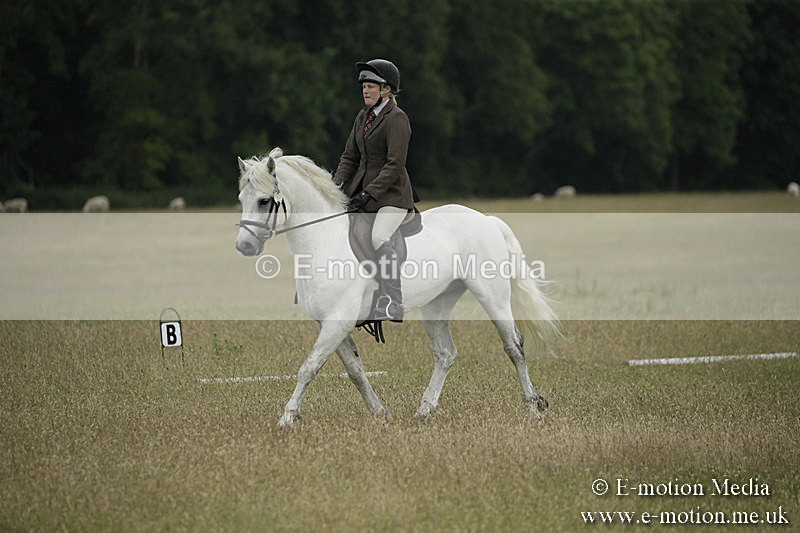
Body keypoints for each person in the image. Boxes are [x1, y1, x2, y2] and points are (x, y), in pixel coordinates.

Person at [333, 58, 419, 322]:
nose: (365, 91)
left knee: (379, 237)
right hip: (363, 191)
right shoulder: (363, 117)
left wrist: (369, 193)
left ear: (387, 89)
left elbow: (395, 164)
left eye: (371, 86)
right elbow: (349, 157)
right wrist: (335, 187)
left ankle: (394, 301)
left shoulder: (397, 119)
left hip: (391, 195)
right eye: (364, 87)